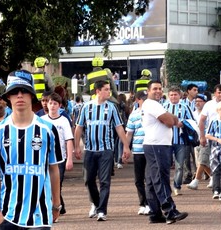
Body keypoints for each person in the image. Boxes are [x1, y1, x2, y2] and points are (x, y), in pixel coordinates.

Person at [0, 70, 63, 228]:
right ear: (8, 96)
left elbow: (54, 169)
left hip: (40, 215)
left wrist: (56, 204)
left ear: (31, 95)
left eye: (24, 91)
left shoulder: (48, 129)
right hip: (8, 216)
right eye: (14, 91)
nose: (19, 95)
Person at [74, 80, 130, 221]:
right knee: (88, 180)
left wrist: (125, 146)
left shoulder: (112, 108)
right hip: (90, 149)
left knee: (105, 181)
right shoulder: (86, 107)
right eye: (105, 89)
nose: (109, 92)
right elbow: (79, 127)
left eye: (109, 89)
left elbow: (119, 127)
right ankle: (96, 203)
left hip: (106, 149)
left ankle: (102, 211)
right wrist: (76, 146)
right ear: (98, 91)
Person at [140, 80, 188, 224]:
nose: (158, 91)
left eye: (160, 89)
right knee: (160, 177)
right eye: (155, 89)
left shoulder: (154, 104)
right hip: (157, 145)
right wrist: (171, 118)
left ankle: (155, 213)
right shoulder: (152, 104)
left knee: (152, 179)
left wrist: (170, 118)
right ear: (148, 91)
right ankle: (169, 210)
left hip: (155, 144)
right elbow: (169, 121)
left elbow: (169, 119)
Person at [41, 92, 74, 215]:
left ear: (59, 106)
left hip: (60, 158)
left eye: (55, 104)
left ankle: (56, 206)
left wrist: (69, 159)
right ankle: (57, 206)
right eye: (50, 103)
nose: (53, 106)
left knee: (57, 184)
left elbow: (68, 140)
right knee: (46, 183)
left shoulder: (64, 121)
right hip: (44, 157)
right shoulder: (42, 121)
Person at [163, 86, 195, 196]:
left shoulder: (185, 107)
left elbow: (192, 121)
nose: (173, 97)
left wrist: (183, 123)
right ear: (168, 96)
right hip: (166, 140)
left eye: (175, 94)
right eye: (171, 95)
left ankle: (177, 186)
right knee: (165, 165)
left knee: (180, 165)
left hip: (181, 140)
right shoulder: (164, 107)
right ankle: (166, 186)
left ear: (179, 95)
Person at [199, 84, 221, 188]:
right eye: (219, 92)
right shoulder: (209, 105)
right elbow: (202, 120)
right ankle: (215, 180)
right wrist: (202, 136)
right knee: (214, 160)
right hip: (213, 138)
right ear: (215, 93)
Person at [125, 90, 150, 215]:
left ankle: (151, 203)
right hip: (138, 150)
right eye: (142, 99)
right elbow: (129, 133)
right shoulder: (133, 114)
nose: (144, 101)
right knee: (139, 179)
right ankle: (143, 203)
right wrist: (126, 148)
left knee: (150, 178)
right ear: (137, 100)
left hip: (151, 149)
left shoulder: (153, 112)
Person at [187, 93, 213, 190]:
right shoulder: (193, 113)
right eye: (196, 101)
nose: (197, 103)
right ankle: (214, 177)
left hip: (206, 138)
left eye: (200, 101)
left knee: (202, 160)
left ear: (205, 103)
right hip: (196, 139)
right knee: (200, 162)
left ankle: (196, 181)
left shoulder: (208, 112)